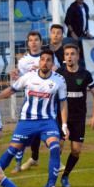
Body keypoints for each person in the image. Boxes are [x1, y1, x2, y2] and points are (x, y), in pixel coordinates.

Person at [0, 50, 69, 187]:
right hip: (27, 121)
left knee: (55, 147)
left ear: (52, 64)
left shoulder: (59, 80)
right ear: (39, 62)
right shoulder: (28, 77)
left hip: (48, 122)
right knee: (12, 150)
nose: (45, 62)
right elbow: (13, 89)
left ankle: (51, 186)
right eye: (43, 60)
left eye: (48, 60)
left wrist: (64, 125)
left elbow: (63, 103)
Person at [11, 30, 60, 173]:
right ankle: (18, 163)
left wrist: (42, 68)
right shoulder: (23, 61)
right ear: (27, 43)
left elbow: (56, 70)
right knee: (22, 135)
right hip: (30, 102)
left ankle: (53, 159)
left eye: (36, 40)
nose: (33, 42)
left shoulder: (48, 57)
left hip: (47, 102)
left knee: (49, 134)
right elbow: (20, 79)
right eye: (31, 40)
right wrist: (15, 75)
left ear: (41, 42)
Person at [56, 44, 94, 187]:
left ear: (77, 56)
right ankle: (51, 180)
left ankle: (65, 176)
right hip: (61, 118)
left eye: (72, 54)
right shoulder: (59, 73)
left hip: (78, 118)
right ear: (64, 57)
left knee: (76, 150)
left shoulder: (85, 74)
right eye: (67, 54)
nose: (69, 57)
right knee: (58, 147)